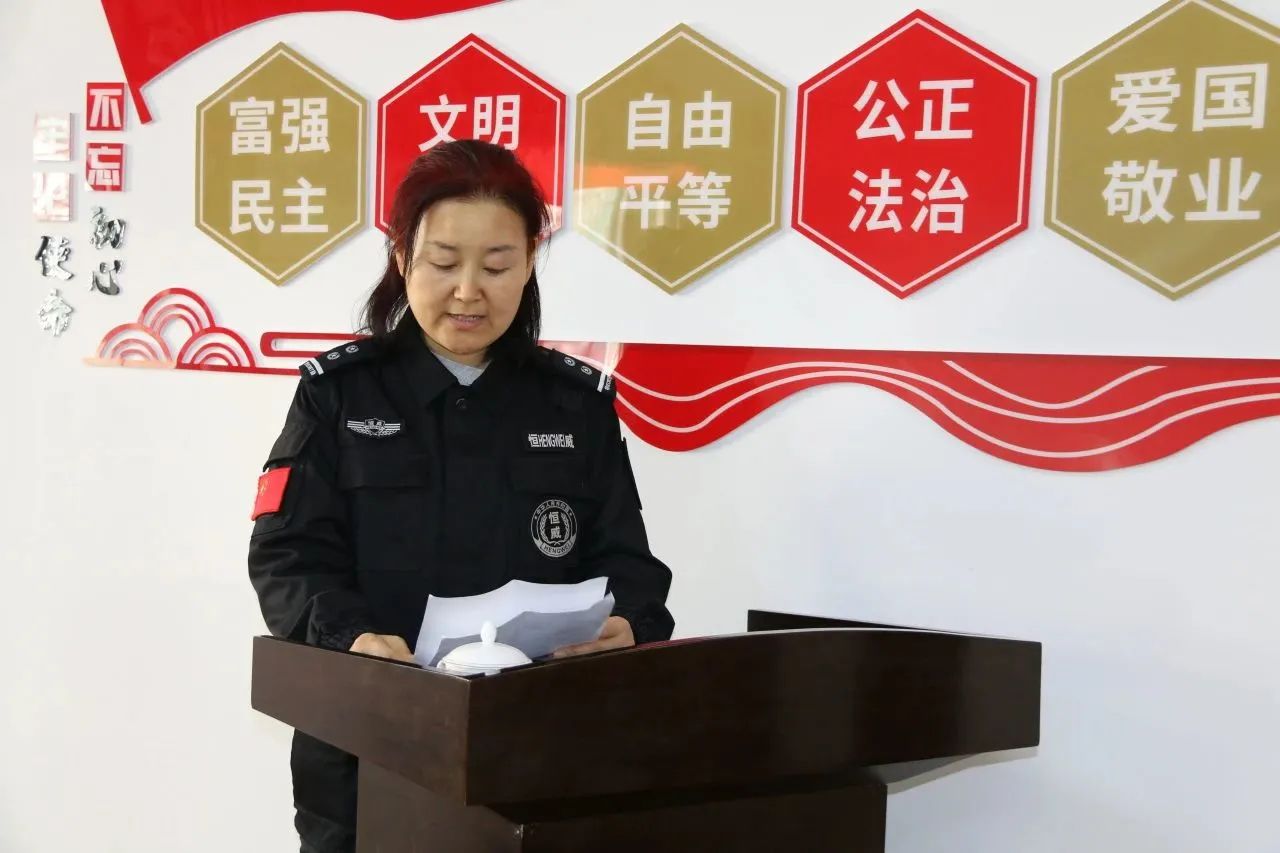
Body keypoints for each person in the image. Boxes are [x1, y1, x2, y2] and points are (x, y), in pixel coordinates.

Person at [247, 139, 675, 853]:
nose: (469, 291)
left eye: (497, 266)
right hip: (368, 752)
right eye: (444, 263)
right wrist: (352, 637)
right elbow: (287, 557)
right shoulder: (340, 394)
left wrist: (630, 620)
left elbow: (630, 565)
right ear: (401, 257)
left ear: (530, 262)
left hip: (538, 758)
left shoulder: (576, 406)